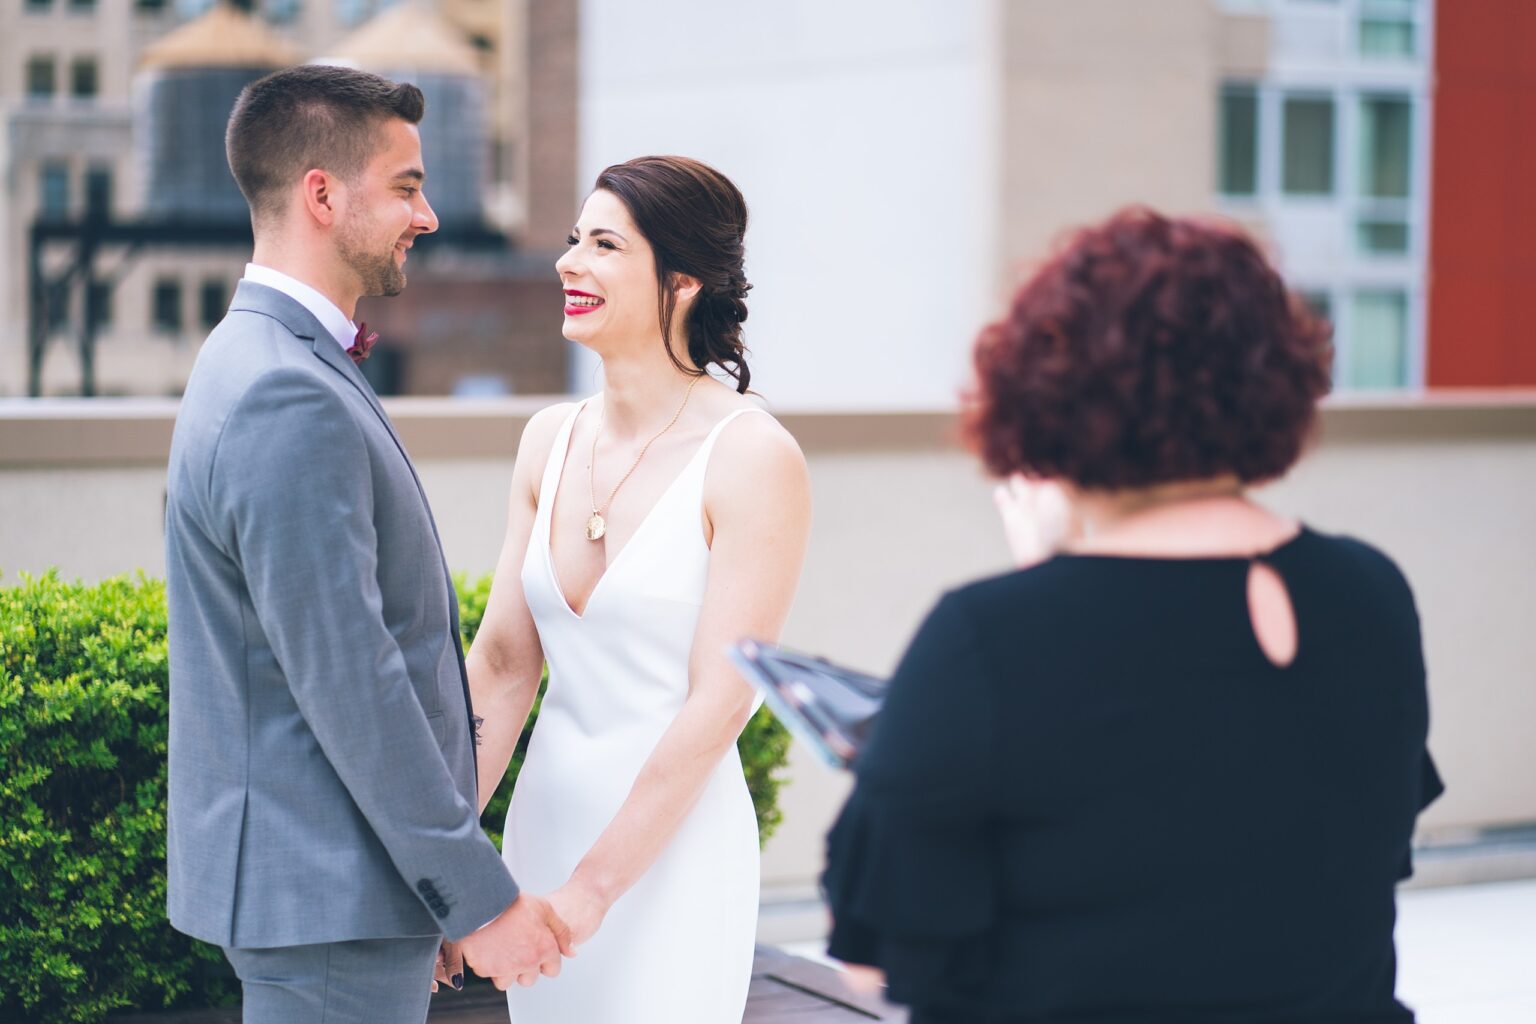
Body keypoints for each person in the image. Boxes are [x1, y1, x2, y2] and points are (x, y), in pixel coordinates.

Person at [821, 208, 1444, 1024]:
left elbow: (877, 959)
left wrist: (1044, 583)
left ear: (1043, 395)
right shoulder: (1370, 593)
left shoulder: (989, 636)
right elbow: (1350, 860)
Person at [164, 65, 571, 1024]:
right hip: (325, 901)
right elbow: (353, 678)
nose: (426, 215)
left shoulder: (264, 357)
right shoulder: (284, 390)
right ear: (321, 194)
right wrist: (473, 895)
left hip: (336, 895)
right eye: (405, 186)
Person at [463, 155, 812, 1021]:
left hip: (671, 861)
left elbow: (719, 705)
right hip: (541, 834)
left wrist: (590, 891)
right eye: (574, 240)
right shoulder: (546, 439)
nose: (568, 262)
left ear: (683, 280)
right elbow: (503, 666)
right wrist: (450, 875)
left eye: (604, 244)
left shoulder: (752, 455)